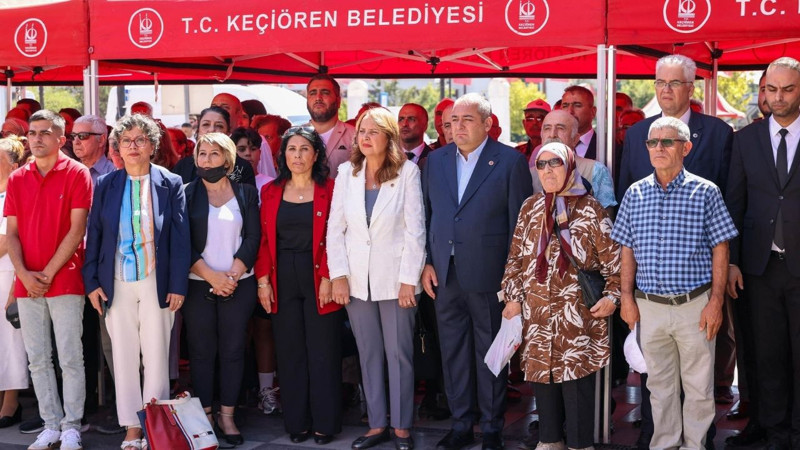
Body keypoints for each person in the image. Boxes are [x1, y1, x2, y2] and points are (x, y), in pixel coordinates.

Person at [612, 117, 738, 449]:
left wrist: (715, 302)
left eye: (667, 142)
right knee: (659, 387)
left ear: (686, 148)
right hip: (649, 306)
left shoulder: (706, 191)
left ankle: (695, 446)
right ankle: (665, 445)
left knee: (699, 388)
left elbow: (721, 248)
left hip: (694, 305)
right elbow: (627, 249)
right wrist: (626, 297)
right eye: (652, 142)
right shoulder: (635, 193)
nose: (659, 148)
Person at [421, 93, 532, 450]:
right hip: (445, 273)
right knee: (453, 353)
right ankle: (461, 424)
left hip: (490, 276)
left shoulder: (510, 162)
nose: (458, 127)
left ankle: (492, 427)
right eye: (454, 120)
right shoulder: (435, 161)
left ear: (487, 123)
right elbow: (426, 216)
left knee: (491, 353)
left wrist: (513, 281)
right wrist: (427, 261)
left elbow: (519, 226)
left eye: (467, 119)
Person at [501, 141, 621, 450]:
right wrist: (513, 297)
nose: (547, 170)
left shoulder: (590, 208)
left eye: (555, 162)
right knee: (543, 383)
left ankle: (580, 444)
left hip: (577, 315)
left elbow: (615, 261)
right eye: (541, 164)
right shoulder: (530, 208)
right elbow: (515, 259)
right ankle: (549, 441)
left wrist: (612, 296)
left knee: (577, 383)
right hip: (538, 316)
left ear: (569, 167)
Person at [82, 114, 190, 450]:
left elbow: (180, 237)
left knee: (156, 356)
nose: (132, 146)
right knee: (124, 356)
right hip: (116, 280)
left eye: (140, 139)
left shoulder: (170, 182)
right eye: (126, 140)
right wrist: (91, 282)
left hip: (157, 279)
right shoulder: (106, 184)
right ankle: (131, 426)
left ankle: (153, 426)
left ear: (152, 146)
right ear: (117, 147)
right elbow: (94, 235)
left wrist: (178, 285)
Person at [327, 108, 426, 450]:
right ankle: (376, 424)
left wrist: (409, 279)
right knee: (367, 354)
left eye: (373, 131)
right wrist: (338, 275)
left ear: (389, 137)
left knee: (399, 354)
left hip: (396, 280)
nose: (365, 137)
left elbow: (416, 230)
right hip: (356, 280)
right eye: (361, 131)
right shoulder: (346, 172)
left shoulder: (408, 172)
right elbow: (335, 228)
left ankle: (401, 427)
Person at [5, 110, 92, 450]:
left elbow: (77, 229)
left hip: (65, 279)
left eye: (45, 132)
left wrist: (47, 273)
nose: (37, 138)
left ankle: (71, 426)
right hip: (27, 281)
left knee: (70, 357)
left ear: (61, 138)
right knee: (38, 359)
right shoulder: (17, 178)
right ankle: (51, 424)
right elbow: (11, 234)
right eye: (32, 132)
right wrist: (25, 275)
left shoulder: (77, 173)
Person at [726, 57, 800, 449]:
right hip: (759, 268)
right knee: (767, 355)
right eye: (772, 89)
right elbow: (734, 204)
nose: (778, 97)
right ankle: (775, 432)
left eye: (787, 89)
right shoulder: (745, 140)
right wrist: (733, 261)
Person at [255, 126, 343, 445]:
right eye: (291, 149)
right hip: (281, 275)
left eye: (304, 149)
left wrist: (329, 276)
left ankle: (325, 423)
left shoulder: (331, 189)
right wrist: (263, 281)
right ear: (283, 155)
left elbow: (338, 235)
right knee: (289, 351)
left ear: (316, 154)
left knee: (323, 351)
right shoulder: (271, 191)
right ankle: (297, 422)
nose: (297, 155)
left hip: (320, 275)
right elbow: (263, 239)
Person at [183, 132, 260, 447]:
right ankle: (206, 417)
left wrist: (232, 275)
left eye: (214, 154)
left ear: (227, 160)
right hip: (198, 285)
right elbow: (181, 242)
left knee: (233, 350)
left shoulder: (245, 193)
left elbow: (253, 237)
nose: (207, 160)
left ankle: (228, 415)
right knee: (201, 352)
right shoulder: (186, 193)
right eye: (202, 154)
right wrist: (212, 277)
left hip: (239, 284)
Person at [617, 54, 733, 202]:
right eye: (660, 82)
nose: (666, 89)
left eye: (675, 83)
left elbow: (730, 197)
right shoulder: (636, 134)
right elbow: (625, 197)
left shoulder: (718, 133)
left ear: (690, 90)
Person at [533, 110, 617, 212]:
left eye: (560, 128)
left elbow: (606, 217)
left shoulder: (596, 170)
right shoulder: (531, 173)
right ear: (541, 136)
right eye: (547, 128)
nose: (552, 134)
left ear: (575, 139)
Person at [0, 137, 28, 429]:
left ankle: (12, 401)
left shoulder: (16, 195)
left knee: (10, 340)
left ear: (13, 165)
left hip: (9, 273)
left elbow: (8, 240)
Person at [171, 106, 256, 186]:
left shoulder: (242, 167)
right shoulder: (183, 166)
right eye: (206, 124)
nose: (211, 129)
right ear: (198, 130)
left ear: (228, 133)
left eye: (219, 126)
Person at [305, 75, 355, 178]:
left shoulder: (355, 136)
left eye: (325, 93)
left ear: (338, 101)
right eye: (313, 93)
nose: (318, 98)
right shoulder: (293, 135)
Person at [560, 86, 597, 159]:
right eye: (565, 106)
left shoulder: (609, 148)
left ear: (593, 112)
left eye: (577, 105)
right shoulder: (553, 146)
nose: (570, 111)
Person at [398, 103, 433, 169]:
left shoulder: (435, 159)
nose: (404, 124)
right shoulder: (387, 157)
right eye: (401, 119)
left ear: (425, 125)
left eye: (411, 119)